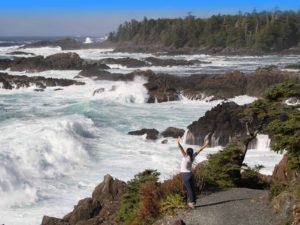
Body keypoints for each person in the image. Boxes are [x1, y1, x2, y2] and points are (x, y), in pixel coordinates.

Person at [176, 136, 209, 209]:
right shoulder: (193, 156)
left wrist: (178, 142)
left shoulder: (185, 156)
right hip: (190, 174)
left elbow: (181, 148)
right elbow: (200, 150)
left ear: (187, 152)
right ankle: (191, 202)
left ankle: (191, 203)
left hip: (185, 175)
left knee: (189, 189)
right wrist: (205, 144)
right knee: (192, 188)